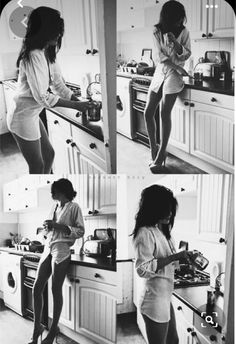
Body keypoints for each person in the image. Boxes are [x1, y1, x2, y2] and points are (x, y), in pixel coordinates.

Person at [7, 7, 94, 174]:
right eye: (56, 30)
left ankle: (44, 188)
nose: (59, 34)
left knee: (50, 155)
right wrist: (76, 107)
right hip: (22, 117)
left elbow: (58, 84)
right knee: (37, 166)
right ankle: (37, 195)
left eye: (60, 31)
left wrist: (78, 102)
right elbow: (42, 96)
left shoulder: (47, 52)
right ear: (44, 30)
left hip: (31, 114)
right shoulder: (32, 56)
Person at [132, 185, 197, 344]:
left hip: (164, 298)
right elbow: (143, 269)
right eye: (165, 209)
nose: (169, 213)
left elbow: (167, 262)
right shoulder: (145, 232)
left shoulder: (162, 231)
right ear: (153, 208)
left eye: (171, 209)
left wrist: (185, 259)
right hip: (154, 301)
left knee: (173, 341)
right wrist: (175, 256)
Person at [28, 178, 85, 344]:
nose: (52, 194)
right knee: (37, 288)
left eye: (54, 191)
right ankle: (37, 327)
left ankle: (53, 331)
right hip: (48, 248)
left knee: (55, 289)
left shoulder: (74, 207)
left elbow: (81, 231)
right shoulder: (54, 206)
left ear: (63, 191)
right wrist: (46, 227)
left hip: (61, 250)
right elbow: (50, 228)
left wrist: (58, 226)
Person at [144, 1, 191, 173]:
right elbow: (158, 55)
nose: (180, 22)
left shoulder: (184, 32)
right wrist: (178, 66)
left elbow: (187, 53)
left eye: (181, 19)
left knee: (164, 113)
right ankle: (153, 150)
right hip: (161, 72)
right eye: (177, 19)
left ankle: (162, 153)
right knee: (148, 113)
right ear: (169, 18)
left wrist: (176, 44)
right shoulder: (157, 31)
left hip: (174, 77)